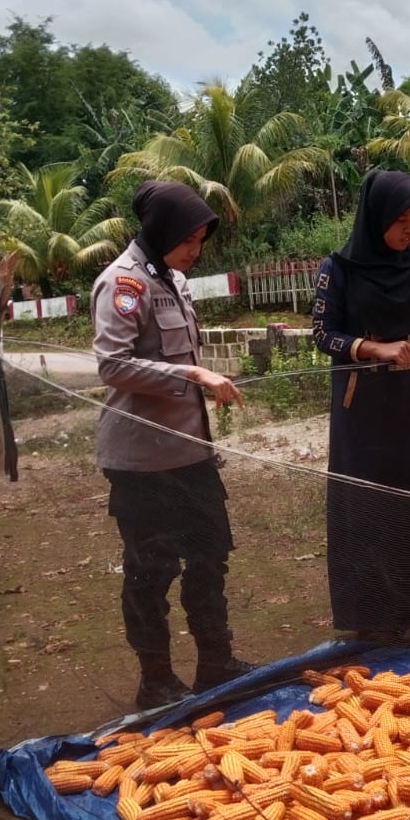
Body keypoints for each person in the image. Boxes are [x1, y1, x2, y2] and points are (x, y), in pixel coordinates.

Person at [92, 180, 253, 710]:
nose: (195, 250)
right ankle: (156, 679)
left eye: (201, 240)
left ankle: (215, 662)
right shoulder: (122, 284)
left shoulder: (175, 281)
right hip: (142, 460)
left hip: (191, 452)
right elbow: (112, 365)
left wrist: (199, 380)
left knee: (211, 556)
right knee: (151, 568)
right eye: (189, 239)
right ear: (162, 231)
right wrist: (190, 373)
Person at [310, 169, 410, 643]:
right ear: (376, 216)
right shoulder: (337, 268)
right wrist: (372, 348)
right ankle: (372, 616)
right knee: (367, 503)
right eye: (400, 220)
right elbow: (322, 334)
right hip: (361, 411)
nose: (409, 230)